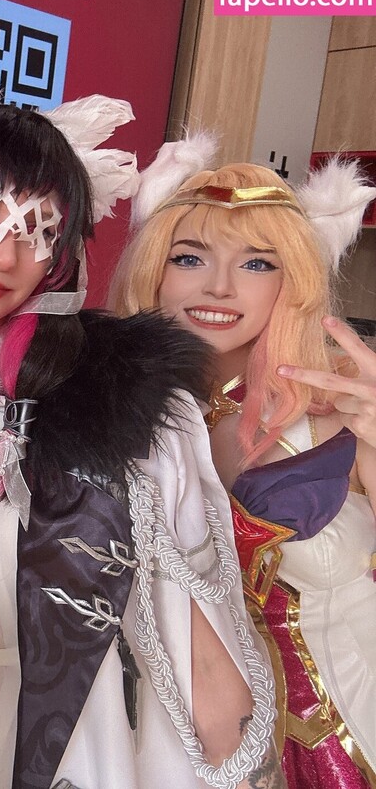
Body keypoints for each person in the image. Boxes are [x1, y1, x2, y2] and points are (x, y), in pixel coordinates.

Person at [0, 14, 279, 789]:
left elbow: (193, 634)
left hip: (81, 735)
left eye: (37, 226)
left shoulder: (115, 404)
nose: (3, 251)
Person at [111, 144, 376, 787]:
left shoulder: (346, 409)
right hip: (178, 746)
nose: (219, 286)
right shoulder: (109, 418)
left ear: (293, 282)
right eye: (189, 257)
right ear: (154, 270)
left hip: (351, 734)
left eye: (257, 263)